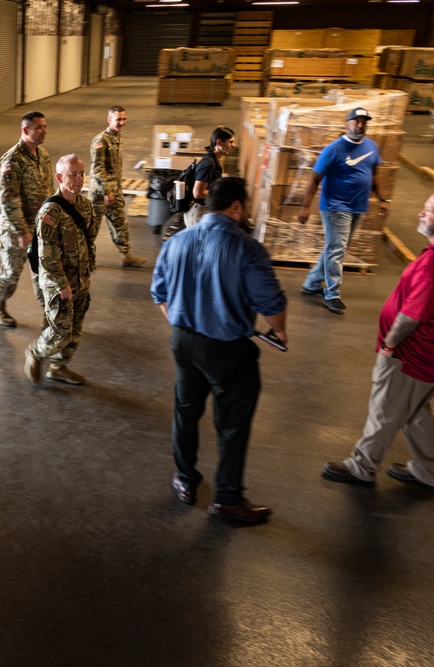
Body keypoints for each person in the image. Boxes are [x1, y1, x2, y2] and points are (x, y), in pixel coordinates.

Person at [322, 188, 434, 492]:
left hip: (411, 355)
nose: (421, 213)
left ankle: (362, 466)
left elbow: (412, 317)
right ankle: (427, 472)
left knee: (385, 410)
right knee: (416, 410)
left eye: (430, 210)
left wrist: (389, 345)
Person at [150, 177, 286, 524]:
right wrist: (279, 330)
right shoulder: (246, 248)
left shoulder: (177, 241)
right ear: (236, 207)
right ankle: (227, 498)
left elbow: (159, 293)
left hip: (184, 342)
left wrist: (182, 322)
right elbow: (270, 304)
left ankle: (185, 479)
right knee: (232, 424)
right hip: (228, 351)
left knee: (186, 411)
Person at [298, 107, 389, 314]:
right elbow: (314, 179)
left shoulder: (372, 146)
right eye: (356, 121)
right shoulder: (333, 149)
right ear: (346, 124)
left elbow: (375, 175)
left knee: (336, 247)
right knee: (337, 248)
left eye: (364, 121)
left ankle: (312, 283)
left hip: (358, 205)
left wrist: (382, 199)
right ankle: (332, 293)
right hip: (335, 206)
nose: (360, 125)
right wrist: (305, 207)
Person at [24, 155, 97, 386]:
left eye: (81, 174)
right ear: (59, 177)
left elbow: (89, 239)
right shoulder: (50, 212)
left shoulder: (85, 206)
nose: (78, 179)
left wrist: (88, 268)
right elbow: (46, 254)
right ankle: (36, 352)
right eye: (72, 175)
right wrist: (62, 284)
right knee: (61, 330)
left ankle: (59, 367)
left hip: (81, 278)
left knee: (75, 329)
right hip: (59, 282)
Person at [0, 111, 54, 328]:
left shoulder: (43, 155)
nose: (44, 131)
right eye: (39, 128)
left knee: (43, 273)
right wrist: (22, 230)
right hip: (16, 229)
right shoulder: (12, 160)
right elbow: (9, 200)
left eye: (45, 127)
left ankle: (47, 313)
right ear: (26, 130)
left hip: (39, 227)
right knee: (11, 271)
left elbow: (48, 191)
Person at [89, 106, 146, 268]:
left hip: (115, 190)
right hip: (100, 192)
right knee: (92, 227)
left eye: (124, 119)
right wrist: (107, 191)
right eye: (118, 119)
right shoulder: (101, 141)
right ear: (109, 120)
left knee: (120, 222)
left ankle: (126, 255)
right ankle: (84, 259)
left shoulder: (118, 138)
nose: (122, 122)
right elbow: (98, 169)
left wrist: (115, 190)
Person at [183, 126, 236, 229]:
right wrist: (222, 193)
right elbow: (198, 193)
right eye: (230, 142)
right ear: (219, 143)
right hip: (199, 216)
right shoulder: (208, 164)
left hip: (205, 212)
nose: (233, 145)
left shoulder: (212, 161)